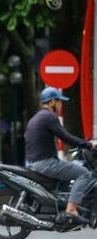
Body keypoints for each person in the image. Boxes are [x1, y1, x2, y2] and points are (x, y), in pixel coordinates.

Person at [25, 87, 97, 224]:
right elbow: (65, 137)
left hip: (32, 162)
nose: (61, 105)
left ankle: (61, 207)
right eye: (59, 102)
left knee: (66, 176)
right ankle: (71, 209)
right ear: (52, 102)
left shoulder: (36, 117)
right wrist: (89, 145)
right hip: (44, 163)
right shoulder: (50, 117)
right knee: (84, 173)